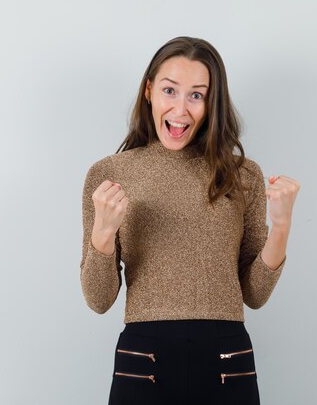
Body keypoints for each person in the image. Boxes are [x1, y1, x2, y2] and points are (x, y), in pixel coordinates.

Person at [79, 36, 300, 405]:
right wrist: (103, 233)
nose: (181, 109)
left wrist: (282, 227)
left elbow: (255, 294)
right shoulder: (108, 174)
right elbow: (99, 300)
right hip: (143, 357)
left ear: (211, 102)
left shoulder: (242, 175)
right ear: (149, 90)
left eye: (196, 95)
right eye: (170, 90)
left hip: (225, 358)